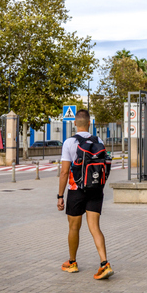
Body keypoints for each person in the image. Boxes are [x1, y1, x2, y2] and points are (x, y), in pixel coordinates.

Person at [57, 109, 114, 280]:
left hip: (76, 190)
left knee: (74, 227)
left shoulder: (69, 143)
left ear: (75, 123)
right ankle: (104, 264)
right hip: (96, 189)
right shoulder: (99, 140)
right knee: (95, 227)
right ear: (90, 123)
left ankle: (72, 262)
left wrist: (60, 196)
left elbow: (64, 172)